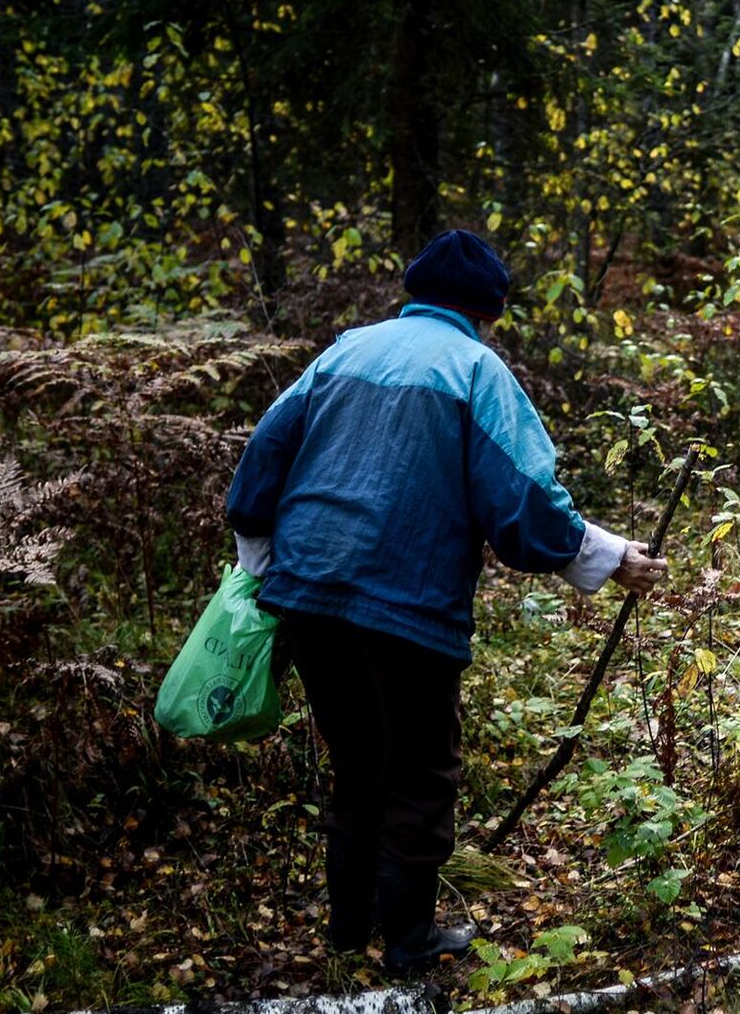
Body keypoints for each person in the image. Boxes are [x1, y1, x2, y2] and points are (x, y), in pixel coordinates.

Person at [224, 230, 669, 974]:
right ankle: (407, 944)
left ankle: (346, 931)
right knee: (420, 772)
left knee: (357, 762)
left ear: (414, 291)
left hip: (305, 591)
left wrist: (262, 557)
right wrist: (609, 556)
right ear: (488, 310)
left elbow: (262, 456)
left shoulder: (343, 350)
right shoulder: (476, 370)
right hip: (407, 603)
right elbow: (524, 503)